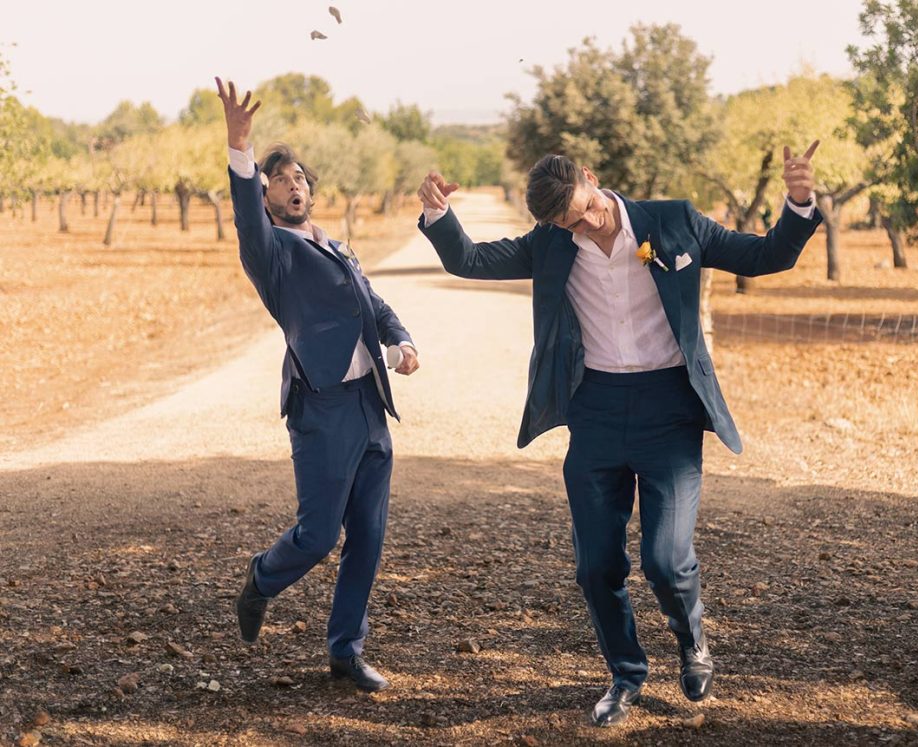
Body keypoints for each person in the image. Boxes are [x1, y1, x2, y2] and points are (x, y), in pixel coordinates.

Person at [416, 144, 820, 726]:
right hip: (596, 412)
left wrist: (799, 201)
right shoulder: (552, 244)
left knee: (665, 559)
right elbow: (471, 260)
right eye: (568, 223)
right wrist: (438, 217)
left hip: (670, 412)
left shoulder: (674, 221)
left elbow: (767, 255)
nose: (583, 226)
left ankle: (692, 639)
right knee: (596, 567)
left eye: (584, 211)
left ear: (591, 178)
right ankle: (625, 674)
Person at [216, 77, 419, 692]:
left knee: (369, 537)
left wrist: (400, 338)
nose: (293, 184)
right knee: (319, 534)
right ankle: (261, 580)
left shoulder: (334, 244)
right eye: (279, 180)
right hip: (321, 405)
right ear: (268, 195)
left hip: (369, 404)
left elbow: (371, 301)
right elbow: (248, 216)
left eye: (299, 177)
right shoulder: (271, 252)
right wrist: (241, 147)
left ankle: (345, 651)